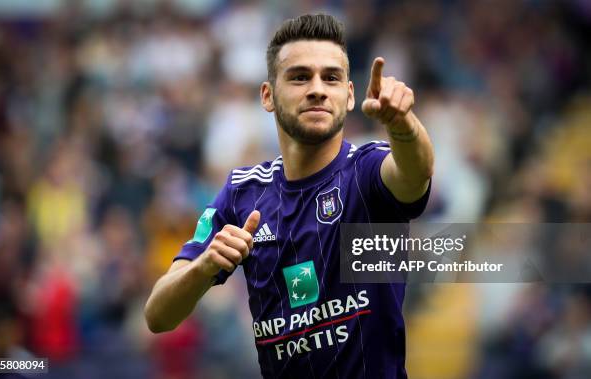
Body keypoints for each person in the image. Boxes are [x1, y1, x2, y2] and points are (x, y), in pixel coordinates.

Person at [145, 13, 434, 378]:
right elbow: (157, 315)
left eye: (330, 78)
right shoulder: (242, 193)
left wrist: (403, 125)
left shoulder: (367, 171)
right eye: (299, 77)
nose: (317, 89)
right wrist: (204, 268)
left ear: (348, 96)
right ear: (267, 95)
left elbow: (415, 172)